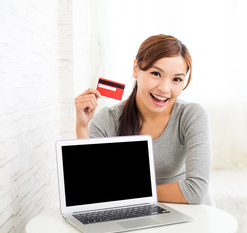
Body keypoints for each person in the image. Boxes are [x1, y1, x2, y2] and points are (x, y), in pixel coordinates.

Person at [74, 34, 211, 204]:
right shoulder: (108, 120)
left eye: (177, 79)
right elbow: (87, 185)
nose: (164, 89)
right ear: (136, 69)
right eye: (156, 73)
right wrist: (81, 127)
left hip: (185, 210)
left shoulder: (191, 116)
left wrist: (123, 191)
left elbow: (195, 192)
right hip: (131, 212)